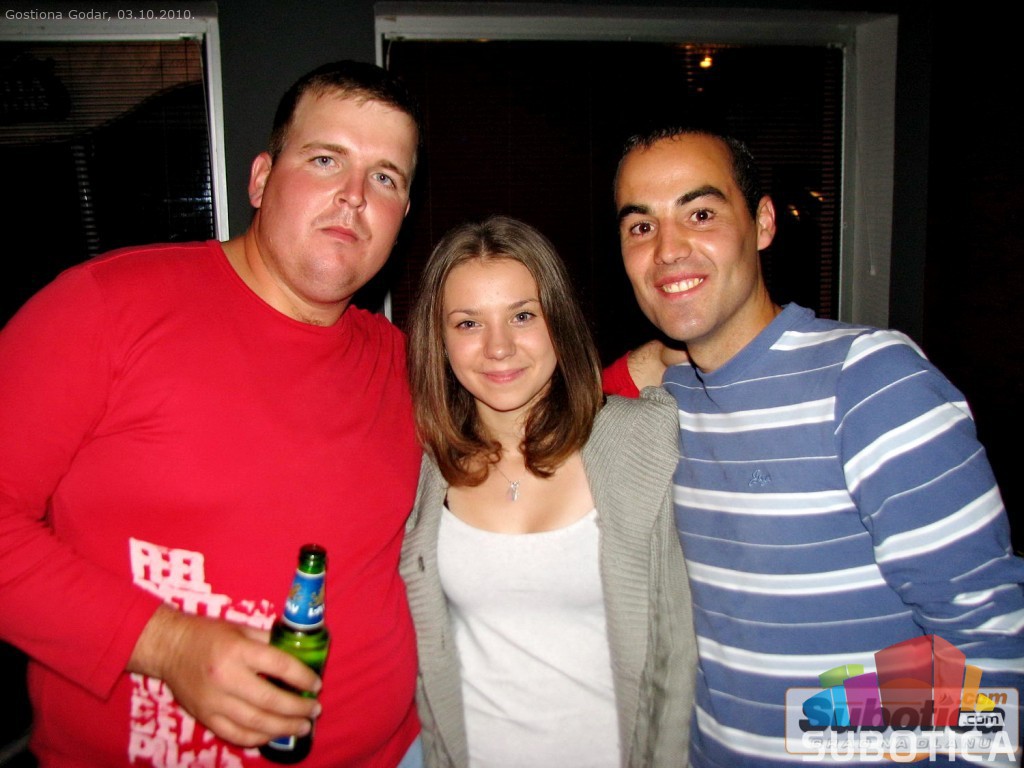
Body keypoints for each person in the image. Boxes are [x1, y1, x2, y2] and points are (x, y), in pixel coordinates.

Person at [0, 60, 425, 767]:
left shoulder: (409, 367)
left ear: (402, 216)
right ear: (260, 179)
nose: (354, 196)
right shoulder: (104, 308)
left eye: (385, 177)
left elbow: (539, 431)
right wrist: (165, 644)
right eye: (325, 159)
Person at [605, 127, 1024, 767]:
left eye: (701, 214)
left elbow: (991, 651)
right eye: (641, 227)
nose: (668, 250)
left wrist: (821, 732)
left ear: (763, 223)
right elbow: (546, 416)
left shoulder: (870, 382)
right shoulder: (671, 407)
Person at [400, 215, 697, 767]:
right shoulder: (422, 466)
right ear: (438, 341)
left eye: (522, 316)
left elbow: (680, 654)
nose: (498, 347)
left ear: (557, 320)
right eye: (468, 323)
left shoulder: (644, 439)